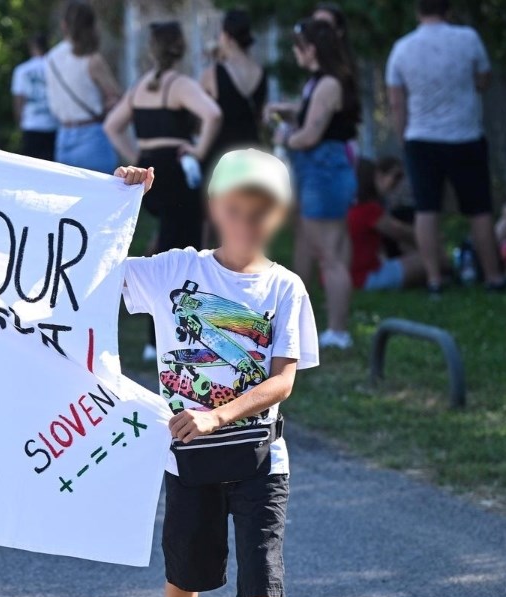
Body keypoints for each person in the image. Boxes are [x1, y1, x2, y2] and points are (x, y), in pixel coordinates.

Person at [117, 149, 317, 597]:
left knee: (262, 582)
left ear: (278, 215)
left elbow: (282, 380)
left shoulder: (285, 288)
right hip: (188, 455)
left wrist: (218, 415)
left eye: (260, 212)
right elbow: (97, 269)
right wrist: (123, 203)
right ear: (215, 207)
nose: (246, 222)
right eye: (235, 209)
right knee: (186, 572)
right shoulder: (175, 271)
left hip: (260, 458)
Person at [386, 0, 506, 294]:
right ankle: (493, 276)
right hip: (465, 135)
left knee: (427, 210)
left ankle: (434, 280)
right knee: (479, 209)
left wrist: (403, 137)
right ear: (448, 9)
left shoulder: (402, 48)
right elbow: (483, 79)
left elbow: (396, 101)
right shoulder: (468, 39)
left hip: (422, 138)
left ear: (418, 10)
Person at [106, 21, 221, 254]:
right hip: (175, 172)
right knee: (184, 244)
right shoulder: (180, 85)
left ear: (152, 50)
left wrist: (137, 157)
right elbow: (214, 114)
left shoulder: (139, 87)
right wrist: (199, 152)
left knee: (167, 237)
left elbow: (111, 126)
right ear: (181, 48)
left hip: (149, 171)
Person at [281, 19, 357, 350]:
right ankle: (324, 326)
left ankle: (338, 332)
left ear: (311, 49)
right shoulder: (318, 82)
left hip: (324, 172)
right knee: (325, 251)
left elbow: (311, 135)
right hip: (317, 171)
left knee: (330, 255)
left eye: (298, 46)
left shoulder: (328, 83)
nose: (295, 52)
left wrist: (285, 137)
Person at [46, 0, 123, 173]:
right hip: (92, 135)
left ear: (64, 25)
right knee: (102, 196)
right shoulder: (92, 59)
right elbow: (116, 98)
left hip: (63, 135)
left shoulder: (51, 58)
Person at [348, 159, 429, 291]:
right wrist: (429, 239)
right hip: (365, 278)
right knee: (431, 259)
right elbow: (399, 231)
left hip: (341, 277)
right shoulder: (368, 209)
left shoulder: (344, 210)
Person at [202, 10, 267, 164]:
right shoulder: (261, 71)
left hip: (222, 153)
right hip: (253, 151)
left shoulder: (213, 73)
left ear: (227, 36)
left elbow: (200, 115)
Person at [11, 33, 59, 160]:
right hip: (53, 123)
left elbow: (19, 98)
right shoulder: (56, 68)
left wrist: (19, 122)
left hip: (31, 123)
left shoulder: (22, 70)